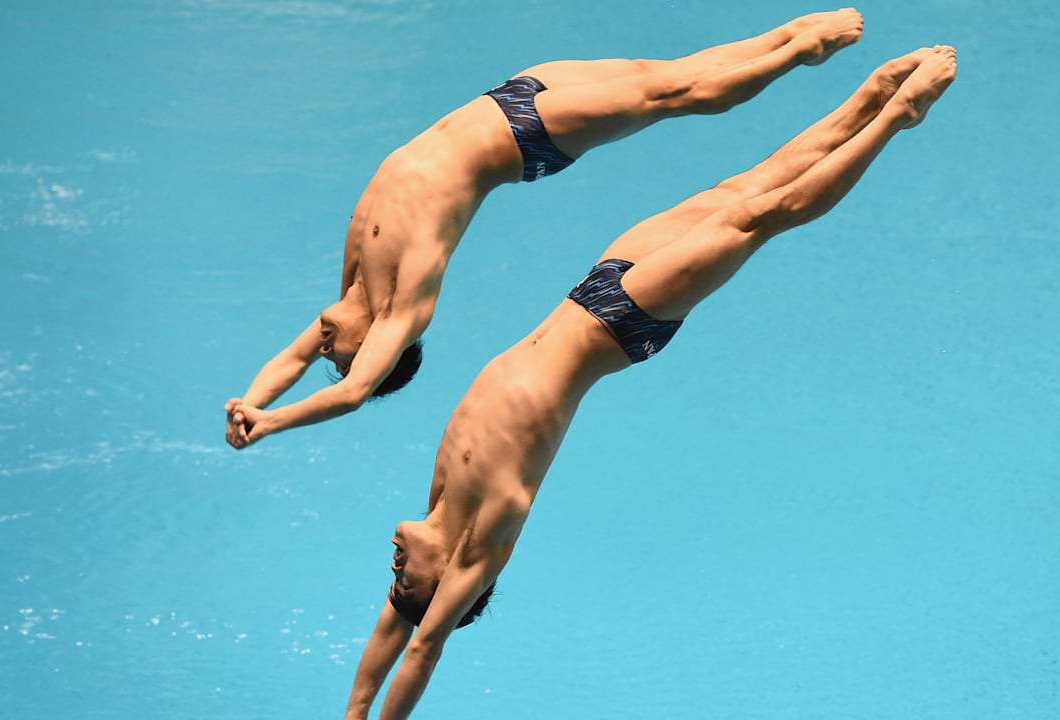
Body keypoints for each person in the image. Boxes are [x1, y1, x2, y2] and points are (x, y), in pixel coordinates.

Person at [342, 46, 958, 719]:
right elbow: (421, 648)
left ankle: (868, 98)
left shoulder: (439, 502)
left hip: (593, 290)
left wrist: (354, 707)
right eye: (405, 583)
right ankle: (901, 115)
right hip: (624, 324)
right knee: (760, 217)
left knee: (745, 187)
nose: (394, 572)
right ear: (447, 586)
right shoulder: (476, 545)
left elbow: (389, 633)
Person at [224, 10, 868, 448]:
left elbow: (290, 358)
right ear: (375, 349)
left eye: (326, 354)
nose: (322, 349)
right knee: (673, 98)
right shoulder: (400, 310)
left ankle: (785, 34)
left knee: (660, 73)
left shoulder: (354, 295)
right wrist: (275, 426)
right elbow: (353, 394)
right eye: (337, 355)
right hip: (524, 138)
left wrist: (250, 402)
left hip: (507, 97)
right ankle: (799, 56)